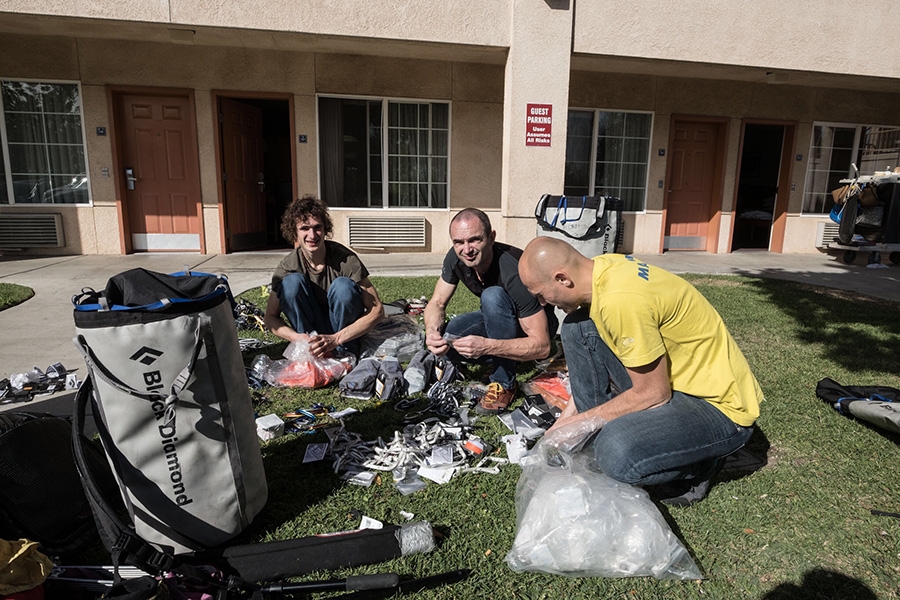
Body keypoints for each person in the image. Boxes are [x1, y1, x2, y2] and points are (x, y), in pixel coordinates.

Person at [519, 236, 763, 506]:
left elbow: (654, 393)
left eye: (540, 294)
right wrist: (569, 420)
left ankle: (701, 465)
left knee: (615, 453)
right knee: (578, 327)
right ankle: (597, 439)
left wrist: (580, 423)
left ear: (563, 278)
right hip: (678, 384)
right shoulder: (601, 267)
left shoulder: (620, 302)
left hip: (719, 408)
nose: (542, 303)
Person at [424, 208, 556, 414]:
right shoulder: (456, 257)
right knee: (449, 337)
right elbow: (437, 302)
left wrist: (487, 346)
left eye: (475, 240)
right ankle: (499, 358)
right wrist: (432, 332)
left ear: (491, 237)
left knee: (492, 296)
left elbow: (542, 346)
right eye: (458, 242)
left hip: (535, 325)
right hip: (499, 317)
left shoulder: (514, 271)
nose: (466, 249)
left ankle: (504, 382)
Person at [264, 195, 384, 358]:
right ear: (294, 232)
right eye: (304, 228)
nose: (312, 235)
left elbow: (377, 310)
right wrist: (298, 338)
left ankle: (345, 354)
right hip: (310, 337)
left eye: (317, 227)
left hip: (342, 336)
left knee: (343, 286)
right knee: (291, 283)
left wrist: (336, 339)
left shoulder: (346, 260)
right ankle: (311, 353)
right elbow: (270, 317)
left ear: (325, 229)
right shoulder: (288, 266)